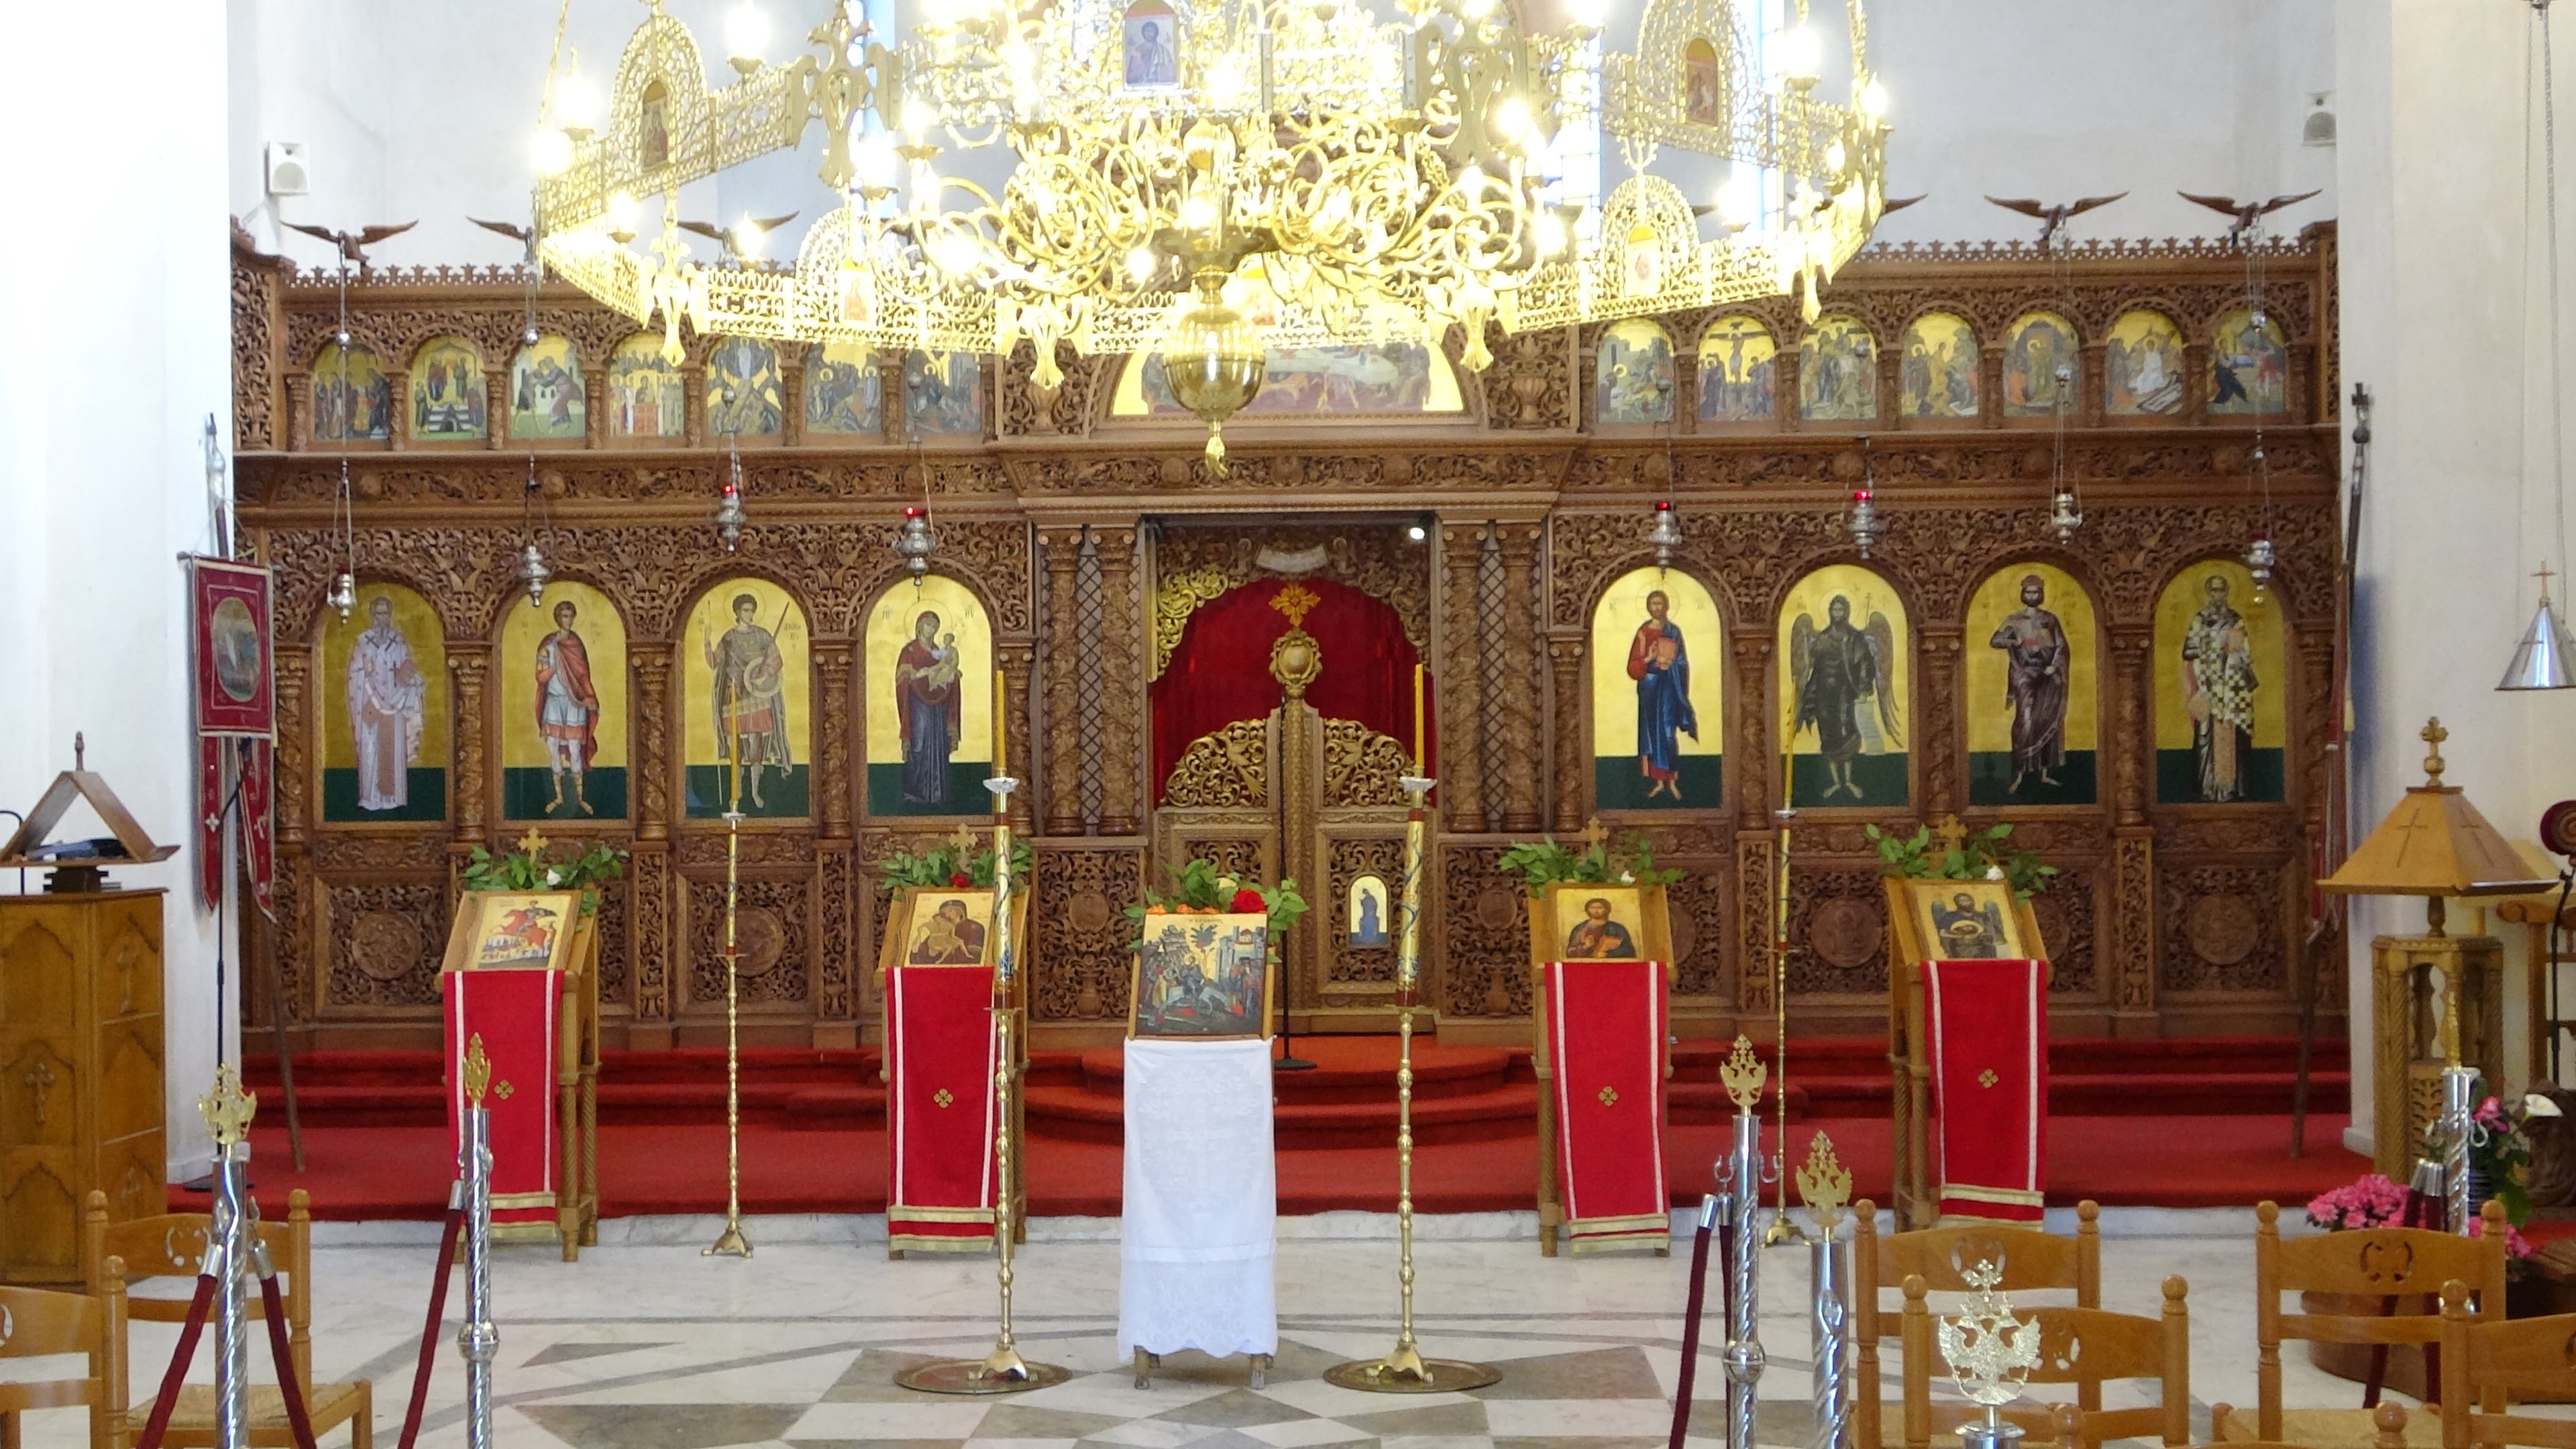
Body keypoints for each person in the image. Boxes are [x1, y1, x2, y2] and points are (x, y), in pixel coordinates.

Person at [1792, 595, 1898, 800]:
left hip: (1844, 693)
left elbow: (1867, 662)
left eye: (1841, 610)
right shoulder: (1822, 637)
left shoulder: (1855, 637)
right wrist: (1808, 699)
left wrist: (1865, 684)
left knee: (1846, 731)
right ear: (1830, 612)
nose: (1837, 614)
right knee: (1828, 735)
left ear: (1847, 612)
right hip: (1824, 694)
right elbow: (1815, 668)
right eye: (1835, 610)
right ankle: (1835, 782)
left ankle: (1849, 781)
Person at [703, 593, 792, 809]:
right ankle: (737, 789)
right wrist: (706, 641)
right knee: (736, 746)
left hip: (757, 695)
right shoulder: (728, 638)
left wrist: (765, 673)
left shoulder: (762, 636)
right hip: (734, 693)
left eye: (751, 610)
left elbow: (777, 660)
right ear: (736, 613)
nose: (749, 614)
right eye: (745, 610)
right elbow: (715, 663)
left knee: (756, 744)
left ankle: (755, 791)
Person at [1988, 575, 2070, 793]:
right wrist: (2015, 641)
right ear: (2022, 594)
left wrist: (2054, 665)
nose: (2032, 596)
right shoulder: (2014, 620)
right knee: (2025, 722)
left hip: (2047, 676)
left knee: (2045, 721)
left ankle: (2044, 773)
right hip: (2023, 674)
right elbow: (1995, 641)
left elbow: (2061, 646)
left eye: (2036, 592)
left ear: (2041, 594)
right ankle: (2019, 775)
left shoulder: (2049, 620)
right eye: (2029, 592)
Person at [347, 595, 427, 812]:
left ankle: (393, 798)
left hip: (396, 703)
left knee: (393, 748)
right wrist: (366, 672)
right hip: (369, 703)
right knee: (370, 748)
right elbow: (354, 673)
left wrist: (411, 680)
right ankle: (370, 797)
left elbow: (407, 668)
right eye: (378, 613)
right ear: (373, 615)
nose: (382, 618)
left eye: (386, 613)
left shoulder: (398, 641)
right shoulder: (363, 641)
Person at [2182, 574, 2258, 801]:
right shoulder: (2199, 621)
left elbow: (2245, 655)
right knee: (2206, 737)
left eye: (2221, 590)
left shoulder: (2236, 620)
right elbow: (2190, 654)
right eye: (2213, 590)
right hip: (2208, 688)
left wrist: (2235, 651)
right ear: (2207, 593)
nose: (2218, 595)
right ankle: (2207, 790)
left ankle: (2233, 790)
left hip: (2233, 691)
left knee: (2234, 738)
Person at [1626, 589, 1698, 800]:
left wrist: (1671, 664)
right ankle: (1658, 782)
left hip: (1669, 687)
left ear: (1666, 606)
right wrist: (1649, 659)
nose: (1657, 608)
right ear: (1649, 607)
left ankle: (1673, 781)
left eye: (1660, 604)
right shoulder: (1643, 633)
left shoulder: (1673, 632)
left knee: (1667, 733)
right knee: (1651, 735)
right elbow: (1632, 667)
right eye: (1653, 604)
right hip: (1649, 689)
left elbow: (1683, 662)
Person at [534, 598, 600, 816]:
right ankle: (559, 797)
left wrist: (589, 696)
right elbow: (541, 677)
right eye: (564, 616)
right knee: (553, 747)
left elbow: (583, 675)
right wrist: (555, 664)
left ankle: (580, 799)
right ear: (557, 618)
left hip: (574, 702)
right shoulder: (548, 645)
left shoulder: (576, 644)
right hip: (554, 701)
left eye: (571, 616)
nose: (568, 620)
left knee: (575, 749)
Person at [893, 610, 963, 806]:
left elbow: (946, 669)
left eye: (934, 626)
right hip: (917, 705)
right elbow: (902, 678)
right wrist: (917, 676)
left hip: (937, 708)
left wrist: (951, 677)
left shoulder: (938, 652)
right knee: (919, 743)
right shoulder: (910, 651)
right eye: (928, 625)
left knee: (937, 744)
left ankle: (937, 794)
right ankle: (915, 792)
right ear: (919, 627)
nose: (931, 630)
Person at [1929, 890, 2006, 959]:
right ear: (1957, 903)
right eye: (1962, 901)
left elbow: (1990, 931)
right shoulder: (1950, 917)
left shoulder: (1982, 916)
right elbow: (1942, 933)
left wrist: (1979, 936)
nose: (1966, 903)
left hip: (1982, 944)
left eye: (1968, 900)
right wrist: (1962, 937)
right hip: (1961, 947)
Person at [908, 898, 986, 964]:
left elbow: (975, 956)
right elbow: (924, 953)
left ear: (960, 911)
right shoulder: (943, 929)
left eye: (951, 911)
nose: (947, 914)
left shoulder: (974, 927)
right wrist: (916, 951)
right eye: (945, 911)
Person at [1562, 897, 1638, 959]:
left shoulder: (1618, 929)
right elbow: (1570, 952)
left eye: (1600, 908)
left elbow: (1629, 951)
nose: (1596, 911)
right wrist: (1585, 947)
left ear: (1607, 910)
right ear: (1587, 910)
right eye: (1593, 908)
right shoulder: (1580, 929)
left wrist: (1608, 955)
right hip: (1586, 967)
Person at [1125, 17, 1175, 86]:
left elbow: (1170, 72)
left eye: (1152, 31)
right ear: (1143, 33)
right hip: (1141, 86)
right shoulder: (1137, 51)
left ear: (1156, 33)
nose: (1150, 33)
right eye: (1147, 31)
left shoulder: (1164, 51)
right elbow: (1131, 74)